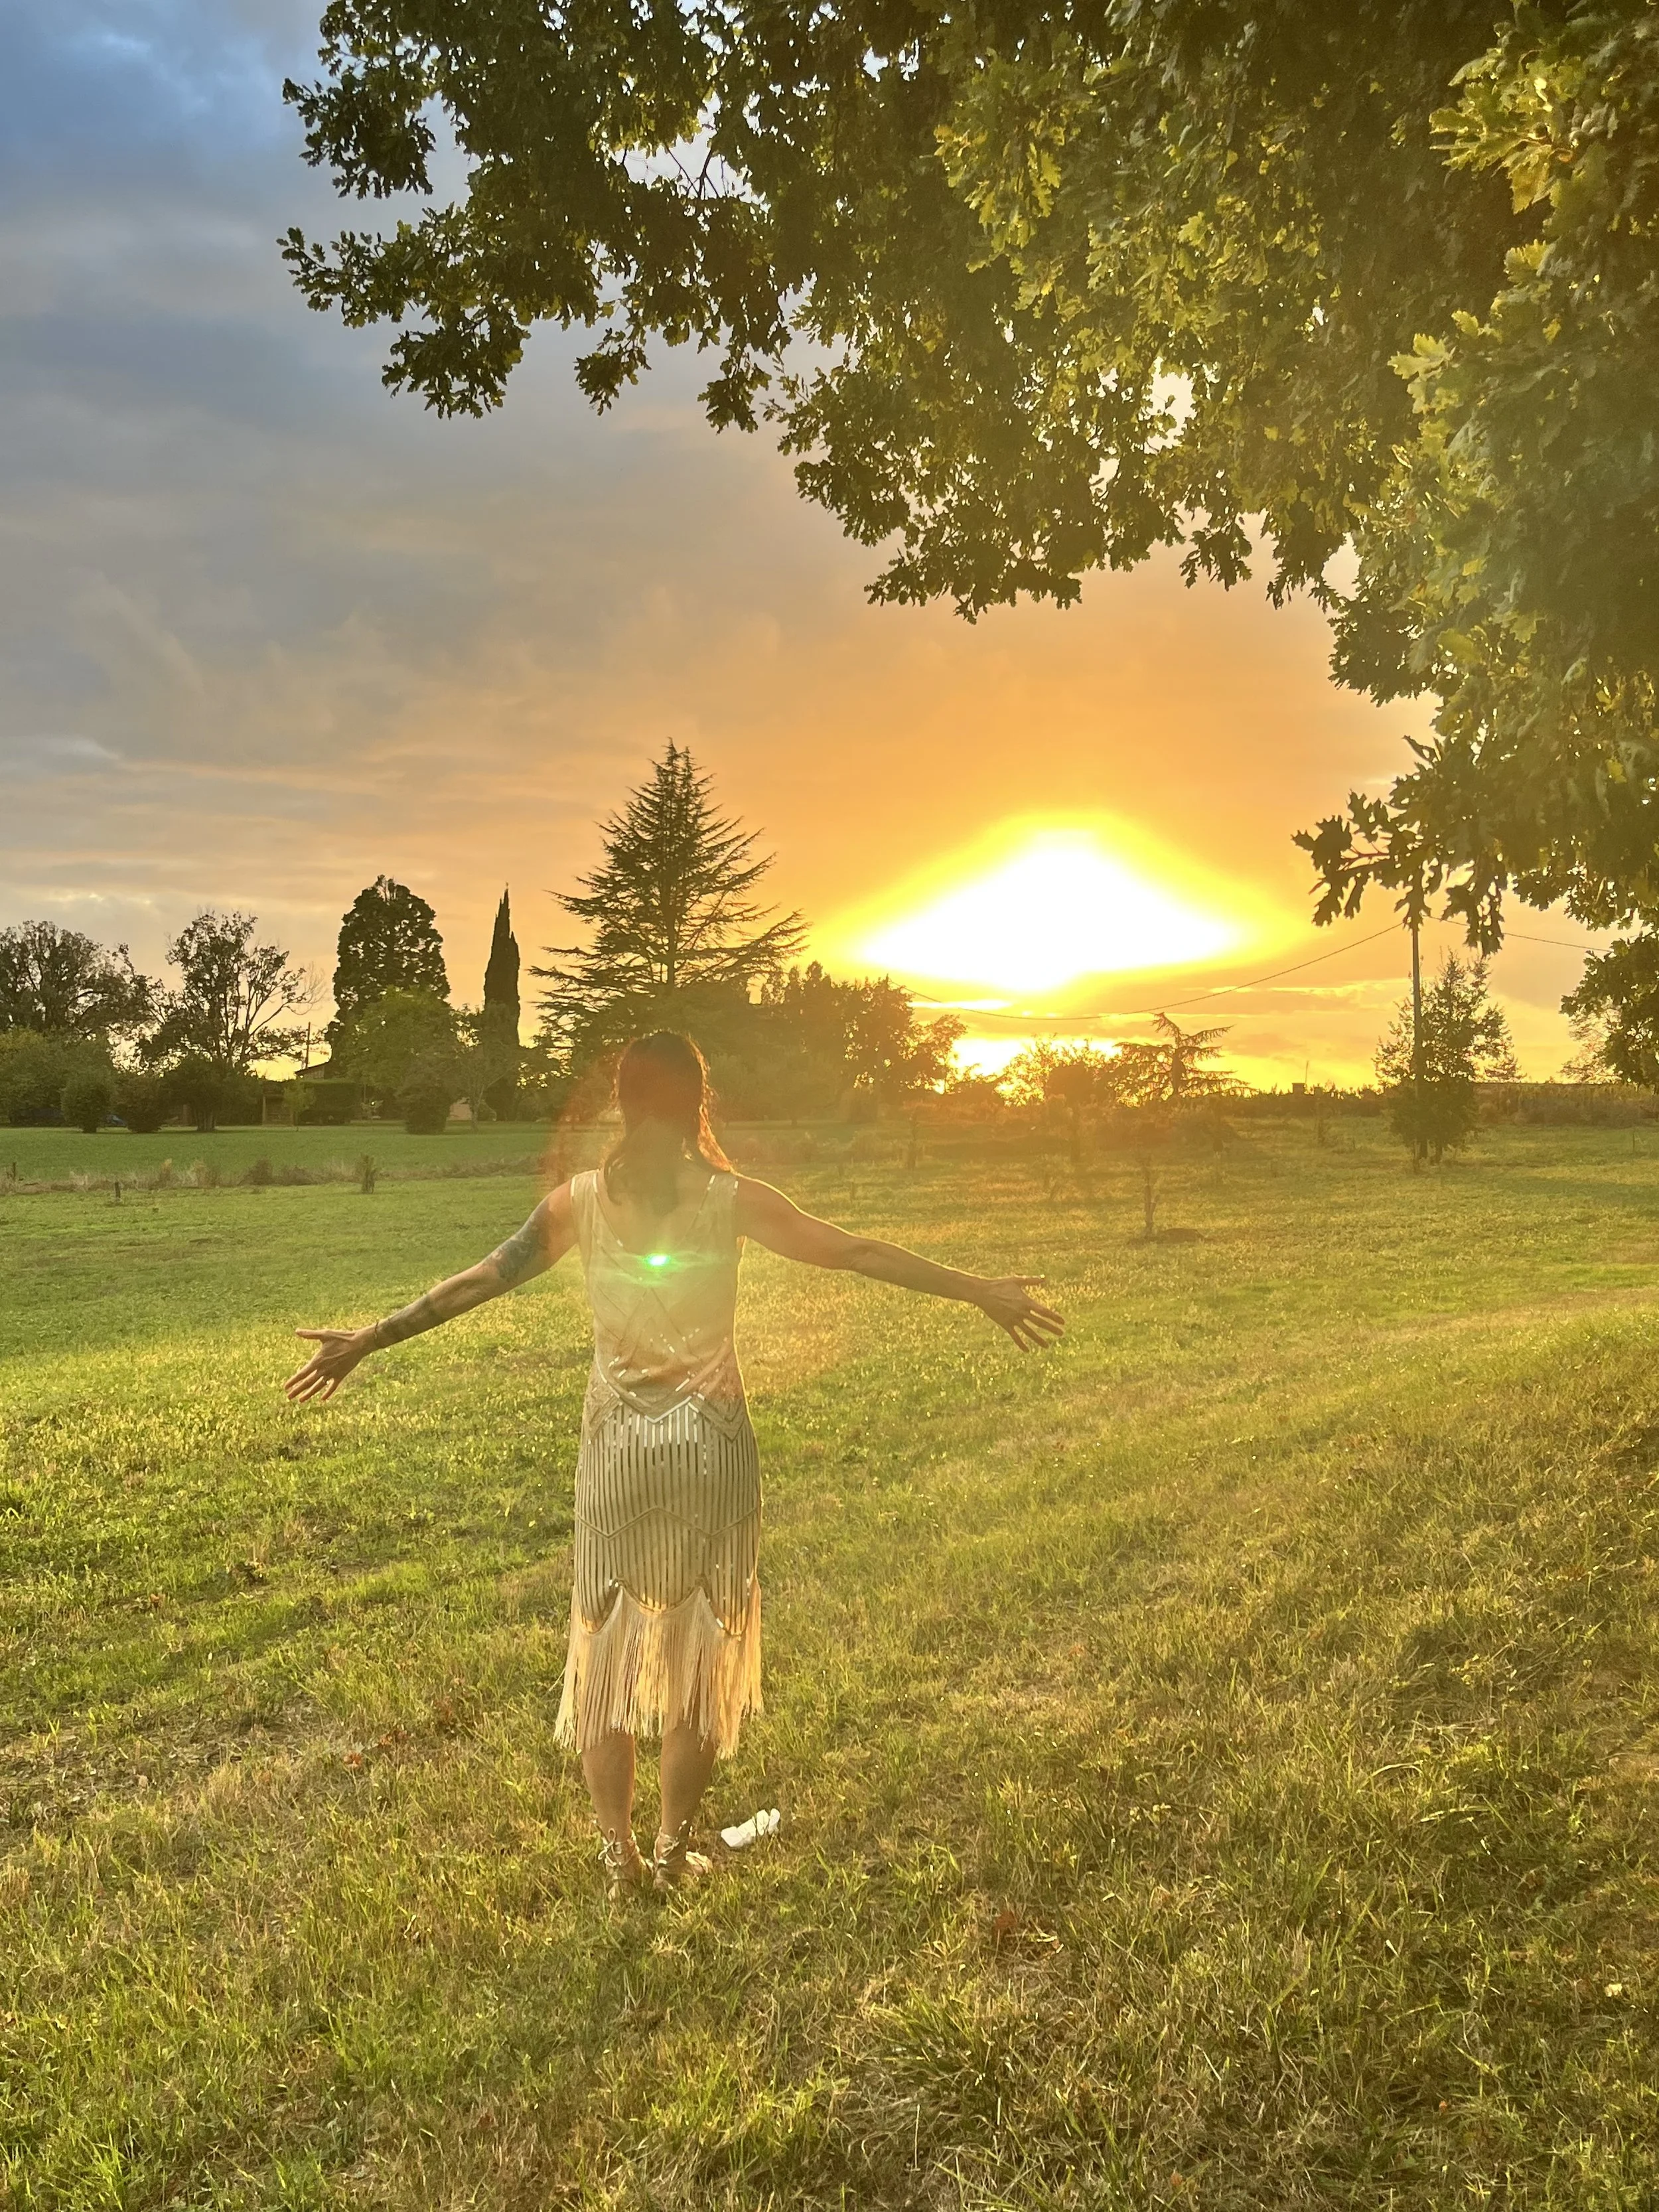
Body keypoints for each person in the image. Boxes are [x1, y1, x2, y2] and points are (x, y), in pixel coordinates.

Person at [285, 1031, 1064, 1898]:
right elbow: (856, 1251)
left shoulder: (577, 1202)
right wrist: (979, 1290)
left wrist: (370, 1339)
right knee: (700, 1654)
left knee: (608, 1651)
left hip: (616, 1451)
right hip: (710, 1450)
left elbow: (479, 1280)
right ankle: (668, 1850)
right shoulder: (731, 1199)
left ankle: (619, 1863)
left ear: (621, 1103)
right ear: (700, 1101)